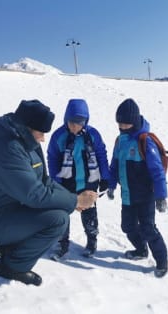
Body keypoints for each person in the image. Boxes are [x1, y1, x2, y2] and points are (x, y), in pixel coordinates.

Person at [0, 99, 97, 286]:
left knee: (60, 209)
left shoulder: (27, 143)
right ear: (26, 127)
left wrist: (72, 200)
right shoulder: (7, 149)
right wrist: (74, 200)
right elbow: (34, 194)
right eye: (41, 132)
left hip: (7, 210)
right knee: (58, 219)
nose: (43, 138)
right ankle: (13, 266)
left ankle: (10, 247)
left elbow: (44, 180)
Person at [107, 98, 168, 278]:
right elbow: (114, 166)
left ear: (133, 121)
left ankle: (162, 261)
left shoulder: (145, 141)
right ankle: (141, 250)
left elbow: (157, 171)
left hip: (145, 196)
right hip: (127, 195)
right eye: (119, 122)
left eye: (125, 123)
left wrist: (161, 196)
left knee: (148, 229)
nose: (122, 126)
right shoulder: (120, 141)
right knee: (127, 226)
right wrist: (111, 185)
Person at [47, 99, 110, 259]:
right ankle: (62, 243)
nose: (75, 126)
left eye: (80, 123)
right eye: (72, 122)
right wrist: (55, 180)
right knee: (63, 212)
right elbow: (52, 158)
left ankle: (91, 240)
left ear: (86, 121)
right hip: (66, 182)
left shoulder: (92, 135)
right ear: (66, 119)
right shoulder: (59, 136)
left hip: (89, 182)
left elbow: (102, 155)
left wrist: (105, 176)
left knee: (89, 213)